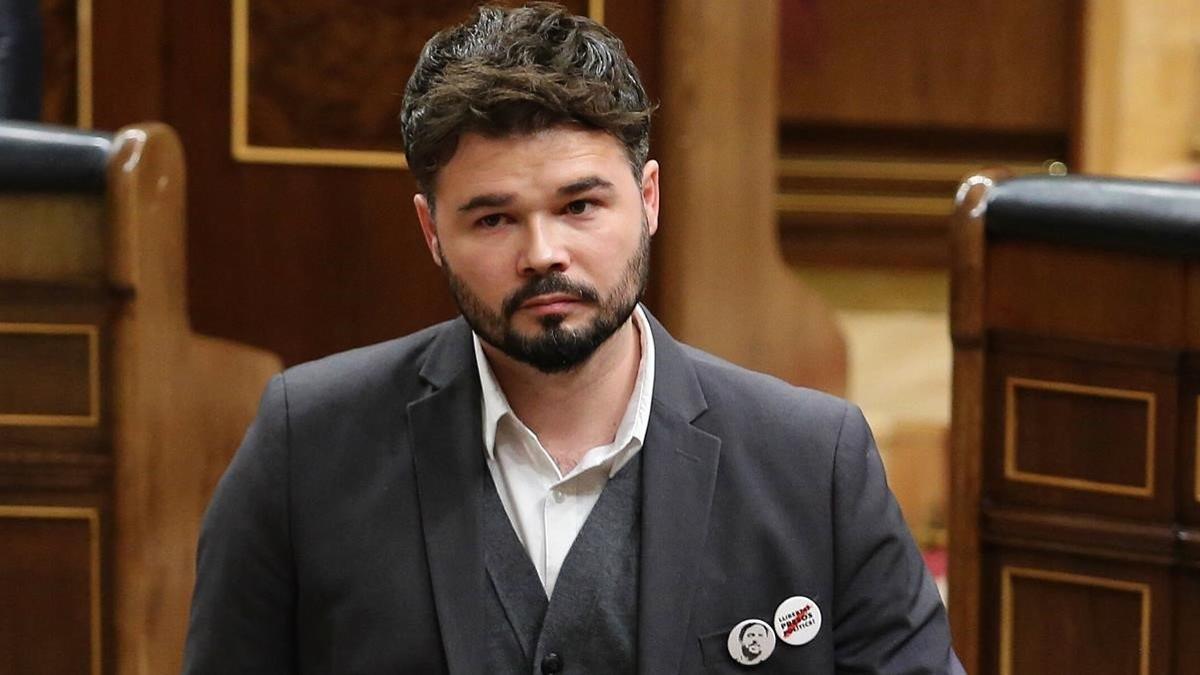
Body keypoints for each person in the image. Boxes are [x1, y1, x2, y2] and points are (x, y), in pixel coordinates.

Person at [182, 3, 964, 673]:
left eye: (581, 205)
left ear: (648, 199)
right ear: (430, 232)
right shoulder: (306, 446)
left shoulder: (811, 461)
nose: (544, 252)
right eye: (494, 218)